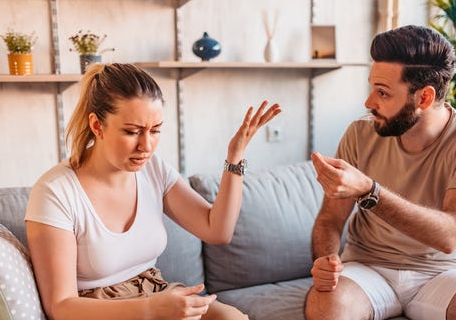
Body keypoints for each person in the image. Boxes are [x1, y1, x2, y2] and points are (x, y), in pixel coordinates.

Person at [25, 63, 281, 320]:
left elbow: (217, 230)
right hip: (103, 313)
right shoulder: (54, 193)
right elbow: (60, 306)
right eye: (132, 131)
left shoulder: (153, 170)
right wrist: (151, 309)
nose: (146, 146)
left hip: (156, 294)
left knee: (230, 318)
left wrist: (234, 158)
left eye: (155, 130)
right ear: (97, 125)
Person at [304, 25, 456, 320]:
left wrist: (370, 192)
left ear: (423, 98)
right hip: (368, 269)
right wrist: (325, 261)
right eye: (372, 88)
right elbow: (331, 219)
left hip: (444, 273)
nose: (369, 103)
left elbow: (451, 234)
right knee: (327, 305)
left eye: (382, 92)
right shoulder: (359, 134)